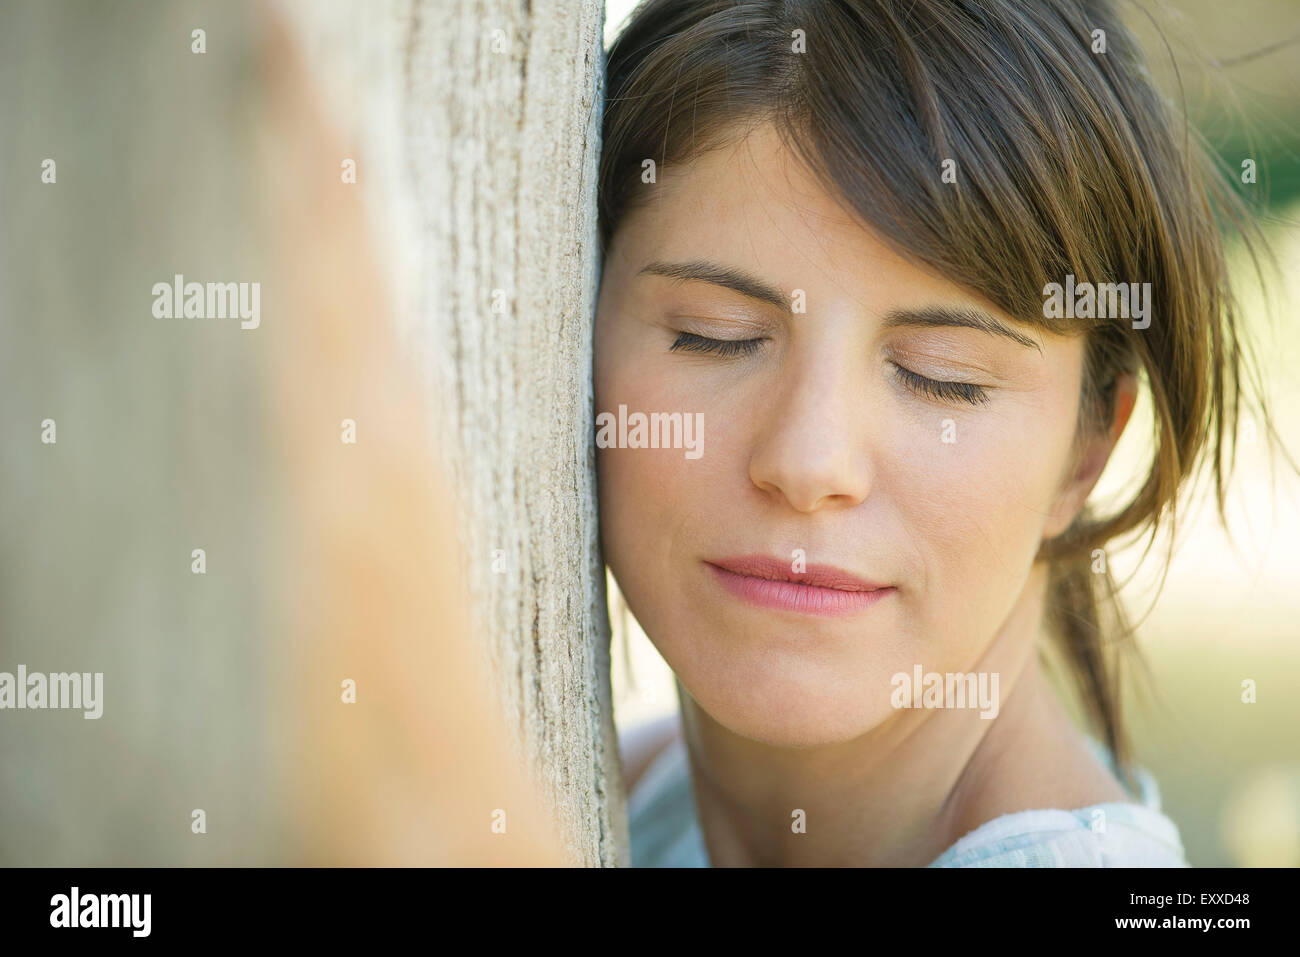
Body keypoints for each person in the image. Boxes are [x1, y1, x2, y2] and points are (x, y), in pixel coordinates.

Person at [595, 0, 1280, 866]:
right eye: (713, 333)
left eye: (940, 376)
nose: (809, 463)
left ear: (1087, 451)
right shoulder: (633, 792)